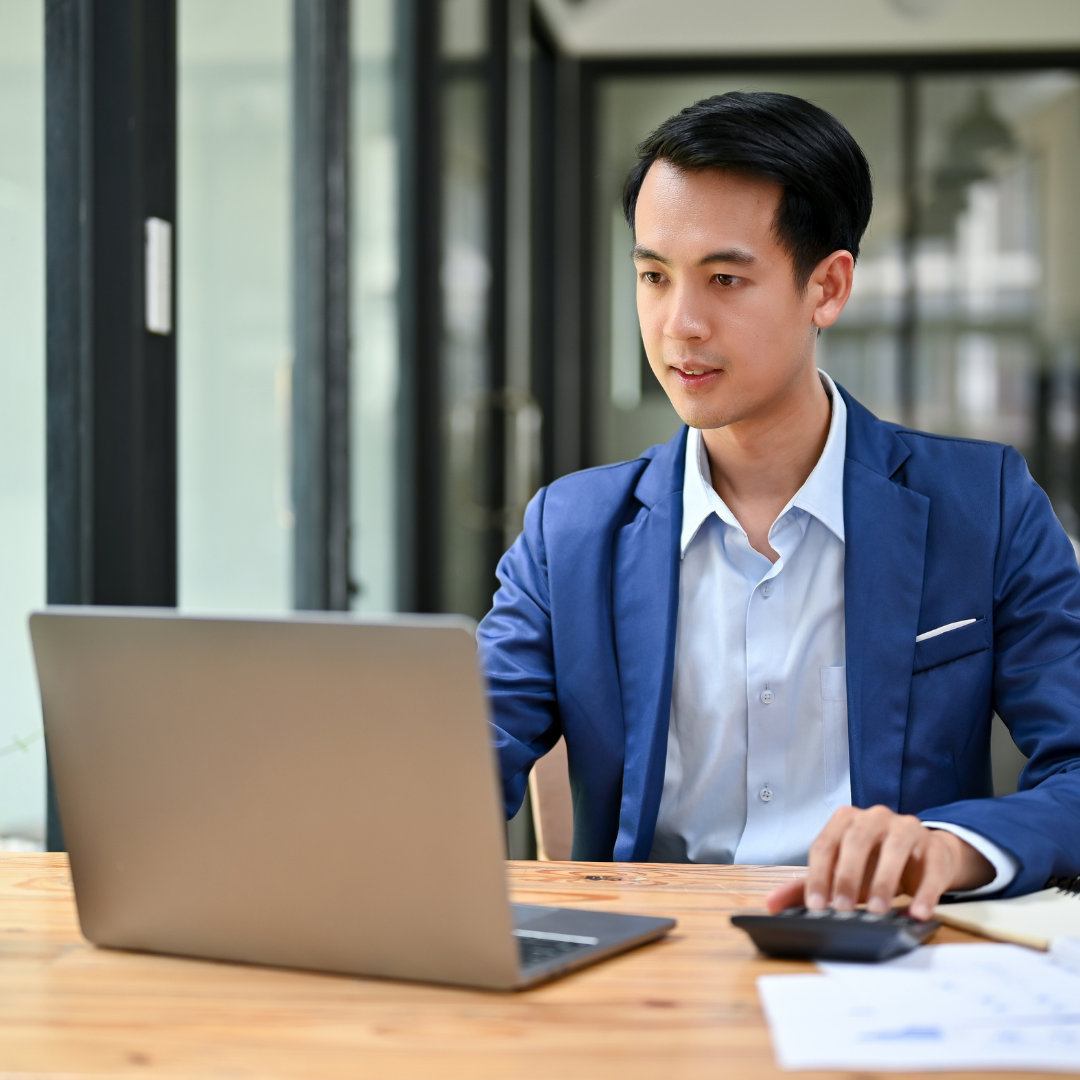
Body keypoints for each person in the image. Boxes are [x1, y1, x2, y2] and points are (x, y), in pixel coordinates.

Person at [477, 91, 1080, 919]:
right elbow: (456, 763)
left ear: (826, 289)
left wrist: (948, 849)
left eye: (724, 279)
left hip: (886, 953)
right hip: (645, 964)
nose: (678, 324)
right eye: (653, 277)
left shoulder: (987, 507)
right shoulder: (569, 531)